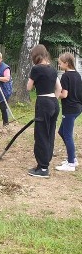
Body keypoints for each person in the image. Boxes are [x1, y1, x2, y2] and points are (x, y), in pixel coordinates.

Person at [27, 44, 61, 178]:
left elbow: (29, 87)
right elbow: (59, 88)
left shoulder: (36, 69)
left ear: (35, 55)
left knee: (40, 134)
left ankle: (43, 169)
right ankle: (44, 164)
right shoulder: (53, 69)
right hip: (53, 102)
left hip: (43, 102)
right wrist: (53, 101)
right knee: (49, 134)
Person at [56, 52, 82, 171]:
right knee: (62, 131)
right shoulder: (77, 75)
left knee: (67, 135)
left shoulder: (65, 76)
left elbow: (64, 95)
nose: (59, 64)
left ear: (66, 63)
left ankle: (71, 163)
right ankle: (73, 158)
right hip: (77, 108)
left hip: (70, 109)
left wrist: (55, 94)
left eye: (60, 63)